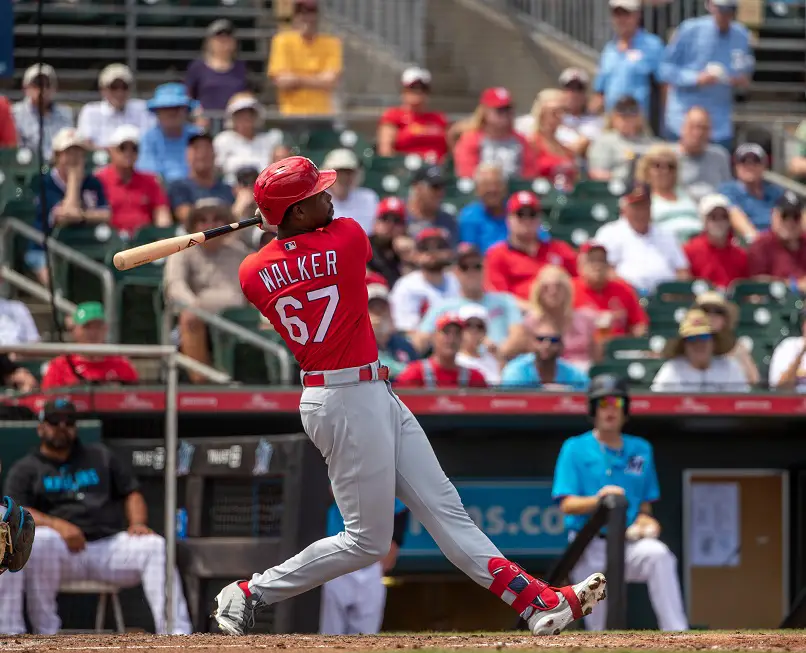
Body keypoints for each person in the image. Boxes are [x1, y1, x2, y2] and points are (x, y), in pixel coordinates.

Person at [217, 156, 607, 636]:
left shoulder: (252, 272)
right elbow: (323, 235)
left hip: (365, 391)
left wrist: (276, 221)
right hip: (344, 400)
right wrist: (281, 219)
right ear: (296, 212)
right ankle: (250, 592)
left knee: (446, 511)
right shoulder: (348, 239)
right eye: (317, 194)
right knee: (367, 541)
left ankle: (537, 602)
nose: (329, 197)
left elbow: (282, 253)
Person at [0, 399, 192, 635]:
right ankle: (46, 633)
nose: (62, 426)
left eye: (68, 421)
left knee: (154, 546)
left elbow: (131, 492)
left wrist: (138, 523)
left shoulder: (100, 456)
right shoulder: (26, 468)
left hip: (106, 547)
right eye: (54, 421)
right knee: (40, 540)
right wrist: (57, 525)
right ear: (41, 427)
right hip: (60, 553)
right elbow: (15, 512)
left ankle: (177, 633)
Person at [552, 375, 689, 632]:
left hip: (628, 543)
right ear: (593, 409)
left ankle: (677, 632)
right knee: (600, 629)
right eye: (603, 403)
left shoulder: (641, 449)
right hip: (589, 545)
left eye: (616, 402)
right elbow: (566, 504)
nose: (610, 409)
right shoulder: (575, 447)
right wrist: (601, 500)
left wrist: (647, 523)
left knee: (659, 555)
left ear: (625, 409)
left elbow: (645, 508)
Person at [164, 199, 248, 382]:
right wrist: (193, 305)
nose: (210, 225)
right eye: (203, 219)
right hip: (201, 312)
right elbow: (174, 285)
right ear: (194, 225)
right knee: (189, 317)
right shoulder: (182, 250)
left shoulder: (239, 251)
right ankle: (202, 382)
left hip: (238, 314)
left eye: (217, 219)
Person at [659, 0, 754, 151]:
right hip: (683, 121)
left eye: (730, 10)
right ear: (710, 6)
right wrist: (696, 78)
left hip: (719, 124)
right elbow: (665, 69)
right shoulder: (689, 29)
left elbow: (746, 70)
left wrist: (739, 79)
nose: (725, 15)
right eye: (721, 9)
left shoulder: (741, 35)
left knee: (717, 170)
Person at [27, 128, 110, 286]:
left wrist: (82, 216)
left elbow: (106, 214)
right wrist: (74, 179)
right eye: (68, 153)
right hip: (46, 247)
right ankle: (65, 310)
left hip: (84, 244)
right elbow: (64, 217)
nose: (74, 159)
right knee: (56, 286)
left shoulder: (93, 182)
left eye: (78, 153)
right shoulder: (44, 182)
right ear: (57, 156)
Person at [320, 495, 408, 635]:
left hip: (370, 561)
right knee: (331, 634)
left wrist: (394, 543)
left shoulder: (387, 478)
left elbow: (400, 508)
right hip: (338, 557)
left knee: (366, 635)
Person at [415, 242, 523, 355]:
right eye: (465, 267)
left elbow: (519, 335)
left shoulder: (505, 300)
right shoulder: (442, 307)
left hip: (501, 364)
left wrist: (497, 354)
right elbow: (421, 340)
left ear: (485, 269)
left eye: (477, 266)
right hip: (460, 366)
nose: (472, 272)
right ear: (456, 272)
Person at [594, 180, 690, 295]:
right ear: (624, 208)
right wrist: (628, 288)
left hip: (664, 298)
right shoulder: (609, 233)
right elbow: (602, 269)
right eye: (635, 207)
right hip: (626, 297)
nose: (640, 212)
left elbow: (682, 271)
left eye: (644, 206)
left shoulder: (666, 234)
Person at [484, 191, 577, 307]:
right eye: (520, 214)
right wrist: (535, 310)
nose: (527, 220)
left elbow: (580, 283)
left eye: (532, 214)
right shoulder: (497, 254)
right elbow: (499, 298)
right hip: (519, 318)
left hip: (560, 315)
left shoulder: (559, 249)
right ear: (508, 219)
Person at [267, 0, 343, 116]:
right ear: (295, 17)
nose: (306, 18)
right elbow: (282, 81)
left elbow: (330, 82)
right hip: (290, 114)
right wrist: (318, 79)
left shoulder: (332, 43)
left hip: (322, 115)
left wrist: (296, 79)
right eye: (300, 13)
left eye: (311, 13)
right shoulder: (282, 41)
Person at [592, 0, 664, 118]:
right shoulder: (608, 50)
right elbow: (600, 92)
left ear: (637, 15)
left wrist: (663, 121)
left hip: (641, 123)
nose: (621, 19)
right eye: (617, 14)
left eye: (626, 14)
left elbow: (665, 86)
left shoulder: (653, 45)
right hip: (612, 122)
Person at [95, 125, 172, 236]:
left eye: (134, 148)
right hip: (109, 241)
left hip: (145, 241)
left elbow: (162, 213)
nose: (128, 152)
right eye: (122, 148)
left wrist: (163, 236)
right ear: (111, 151)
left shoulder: (150, 181)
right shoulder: (99, 180)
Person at [41, 302, 138, 390]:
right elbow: (47, 401)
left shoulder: (121, 364)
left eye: (98, 326)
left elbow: (136, 398)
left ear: (105, 329)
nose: (93, 333)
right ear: (74, 331)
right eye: (87, 327)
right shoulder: (60, 366)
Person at [651, 308, 750, 392]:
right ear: (684, 345)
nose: (698, 343)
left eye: (704, 337)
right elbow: (655, 403)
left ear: (714, 341)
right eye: (691, 338)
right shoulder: (672, 369)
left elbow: (743, 403)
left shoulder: (730, 367)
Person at [522, 265, 597, 372]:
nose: (553, 292)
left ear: (567, 290)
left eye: (558, 286)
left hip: (583, 375)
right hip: (546, 377)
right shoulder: (531, 322)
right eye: (546, 287)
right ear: (538, 292)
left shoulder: (584, 319)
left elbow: (597, 356)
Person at [388, 228, 461, 335]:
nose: (432, 252)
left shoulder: (457, 282)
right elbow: (405, 330)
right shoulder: (406, 286)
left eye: (440, 246)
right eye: (424, 248)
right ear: (415, 254)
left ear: (450, 252)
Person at [453, 87, 537, 180]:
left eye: (508, 109)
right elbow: (466, 172)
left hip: (515, 189)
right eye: (500, 110)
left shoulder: (520, 140)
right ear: (485, 111)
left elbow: (530, 173)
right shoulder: (471, 139)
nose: (506, 114)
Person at [573, 242, 648, 338]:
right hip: (582, 347)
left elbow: (639, 324)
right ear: (581, 264)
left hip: (619, 347)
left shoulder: (623, 288)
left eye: (601, 260)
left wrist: (638, 334)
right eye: (592, 261)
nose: (598, 266)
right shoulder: (570, 289)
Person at [396, 313, 488, 388]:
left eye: (457, 333)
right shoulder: (415, 373)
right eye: (446, 332)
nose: (452, 339)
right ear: (435, 337)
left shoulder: (475, 378)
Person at [377, 67, 448, 162]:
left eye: (423, 88)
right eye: (413, 88)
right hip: (408, 169)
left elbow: (450, 149)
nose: (418, 92)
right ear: (404, 90)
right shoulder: (394, 116)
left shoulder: (438, 118)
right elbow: (386, 150)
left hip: (437, 169)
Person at [500, 314, 590, 390]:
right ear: (531, 343)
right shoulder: (516, 370)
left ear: (561, 345)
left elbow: (588, 392)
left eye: (553, 340)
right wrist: (546, 391)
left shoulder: (572, 373)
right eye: (540, 339)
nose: (547, 345)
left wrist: (566, 391)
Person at [76, 64, 154, 149]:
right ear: (103, 89)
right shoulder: (91, 111)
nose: (119, 93)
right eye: (114, 87)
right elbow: (87, 144)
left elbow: (150, 141)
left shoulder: (142, 109)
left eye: (124, 87)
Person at [635, 143, 700, 245]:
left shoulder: (687, 195)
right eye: (657, 166)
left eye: (670, 166)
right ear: (646, 170)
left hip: (697, 246)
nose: (664, 171)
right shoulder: (641, 199)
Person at [214, 93, 283, 185]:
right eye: (240, 114)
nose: (246, 118)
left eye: (250, 113)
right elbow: (216, 170)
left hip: (264, 190)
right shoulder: (223, 140)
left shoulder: (271, 139)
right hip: (231, 191)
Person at [718, 143, 784, 239]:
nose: (750, 166)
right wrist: (758, 242)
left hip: (775, 241)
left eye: (756, 161)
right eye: (743, 161)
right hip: (746, 242)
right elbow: (734, 215)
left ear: (764, 166)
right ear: (736, 166)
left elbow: (784, 218)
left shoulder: (775, 191)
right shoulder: (728, 190)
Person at [693, 290, 759, 386]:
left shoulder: (737, 348)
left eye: (718, 312)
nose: (712, 316)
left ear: (725, 319)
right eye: (705, 311)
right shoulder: (685, 344)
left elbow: (753, 381)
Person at [168, 132, 235, 226]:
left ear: (214, 155)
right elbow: (185, 216)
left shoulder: (226, 188)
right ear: (187, 155)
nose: (202, 153)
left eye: (207, 148)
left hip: (228, 238)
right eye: (196, 148)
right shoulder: (179, 187)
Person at [138, 83, 200, 184]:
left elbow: (206, 170)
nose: (171, 113)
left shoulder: (197, 135)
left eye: (177, 108)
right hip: (160, 193)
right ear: (157, 112)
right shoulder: (148, 138)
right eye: (165, 108)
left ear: (185, 110)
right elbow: (148, 174)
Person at [682, 193, 748, 289]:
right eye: (713, 217)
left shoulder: (740, 255)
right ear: (704, 220)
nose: (719, 221)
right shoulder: (690, 251)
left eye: (723, 216)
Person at [587, 96, 656, 182]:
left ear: (639, 118)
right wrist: (621, 175)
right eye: (622, 115)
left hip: (647, 189)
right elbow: (596, 173)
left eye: (632, 114)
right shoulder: (604, 141)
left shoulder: (650, 142)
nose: (627, 119)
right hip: (613, 189)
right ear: (614, 117)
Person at [12, 63, 74, 160]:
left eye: (47, 85)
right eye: (37, 84)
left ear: (54, 89)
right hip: (26, 167)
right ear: (25, 87)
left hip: (58, 167)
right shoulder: (14, 114)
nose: (43, 89)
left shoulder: (65, 114)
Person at [186, 19, 248, 113]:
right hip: (205, 121)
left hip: (234, 122)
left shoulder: (242, 67)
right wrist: (196, 110)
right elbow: (188, 95)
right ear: (210, 42)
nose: (224, 43)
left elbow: (248, 95)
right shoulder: (198, 67)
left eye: (228, 38)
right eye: (219, 39)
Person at [746, 192, 806, 287]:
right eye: (784, 216)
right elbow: (759, 284)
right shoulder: (762, 245)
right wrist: (796, 285)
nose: (790, 222)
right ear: (774, 215)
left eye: (796, 217)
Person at [676, 107, 732, 203]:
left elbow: (727, 191)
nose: (698, 133)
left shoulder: (720, 156)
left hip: (715, 212)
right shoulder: (670, 158)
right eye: (692, 127)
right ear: (682, 129)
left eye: (704, 128)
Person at [527, 89, 578, 189]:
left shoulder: (565, 149)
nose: (560, 116)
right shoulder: (532, 144)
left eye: (563, 111)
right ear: (542, 112)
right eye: (555, 112)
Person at [367, 283, 418, 379]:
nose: (379, 314)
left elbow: (416, 372)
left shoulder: (404, 344)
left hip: (401, 392)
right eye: (373, 308)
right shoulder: (358, 346)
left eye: (382, 308)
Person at [323, 148, 379, 234]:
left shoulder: (368, 198)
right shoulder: (319, 200)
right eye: (338, 172)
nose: (344, 177)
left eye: (348, 172)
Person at [457, 163, 509, 254]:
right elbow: (469, 255)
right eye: (486, 185)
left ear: (504, 188)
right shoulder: (469, 217)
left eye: (497, 184)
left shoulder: (517, 212)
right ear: (477, 190)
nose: (492, 189)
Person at [406, 165, 458, 244]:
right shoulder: (398, 217)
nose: (440, 192)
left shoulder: (448, 221)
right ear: (417, 187)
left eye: (442, 186)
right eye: (435, 187)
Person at [367, 197, 409, 287]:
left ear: (404, 227)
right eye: (385, 218)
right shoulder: (363, 245)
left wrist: (407, 257)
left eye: (396, 220)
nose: (390, 225)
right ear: (375, 222)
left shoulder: (408, 249)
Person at [455, 304, 502, 385]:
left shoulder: (492, 359)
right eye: (468, 325)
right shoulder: (454, 360)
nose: (474, 330)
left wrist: (498, 356)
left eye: (479, 326)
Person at [769, 310, 806, 391]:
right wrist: (801, 353)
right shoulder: (788, 346)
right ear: (803, 325)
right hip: (792, 402)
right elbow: (780, 387)